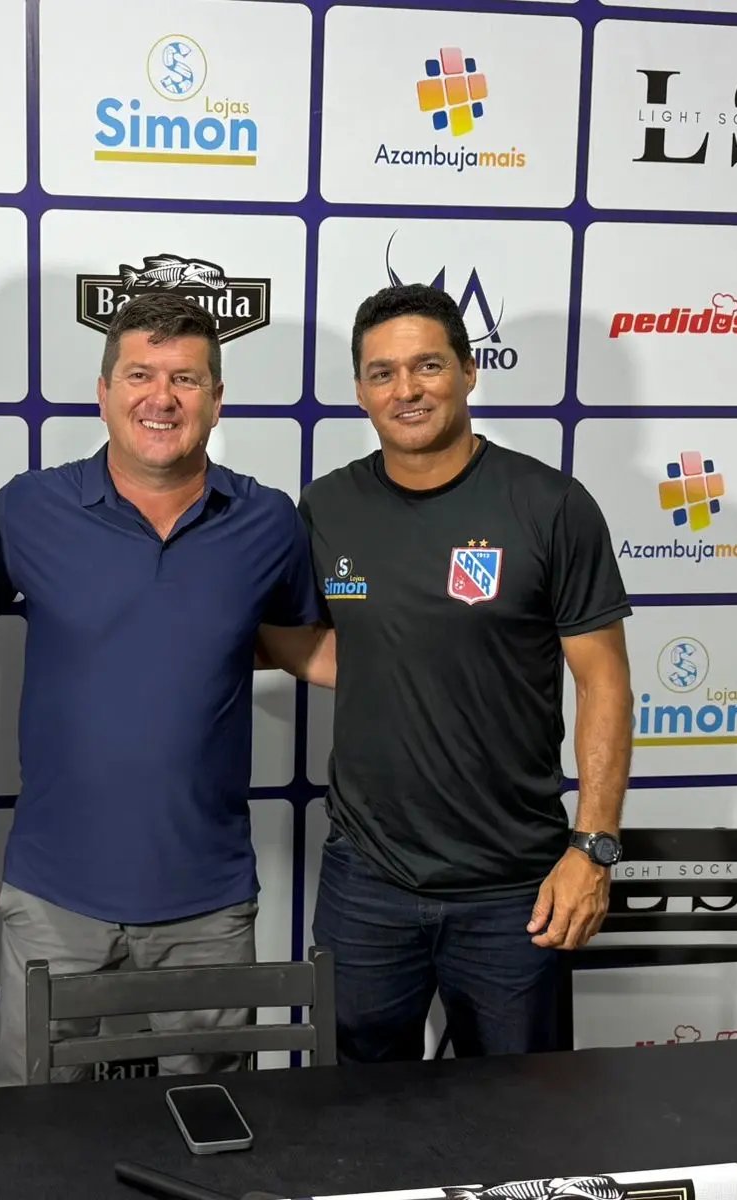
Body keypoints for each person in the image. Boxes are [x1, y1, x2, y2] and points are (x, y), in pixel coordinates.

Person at [0, 293, 330, 1085]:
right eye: (140, 375)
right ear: (104, 392)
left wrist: (457, 672)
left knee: (212, 1122)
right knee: (36, 1124)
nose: (162, 397)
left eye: (186, 379)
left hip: (207, 906)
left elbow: (305, 650)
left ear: (216, 399)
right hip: (54, 897)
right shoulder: (29, 509)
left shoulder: (268, 522)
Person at [296, 282, 633, 1062]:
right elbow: (287, 636)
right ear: (359, 391)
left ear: (469, 371)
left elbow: (605, 684)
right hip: (367, 882)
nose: (405, 390)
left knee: (519, 1125)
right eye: (382, 373)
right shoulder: (328, 506)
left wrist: (594, 848)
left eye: (427, 366)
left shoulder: (549, 504)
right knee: (353, 1116)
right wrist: (386, 668)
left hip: (514, 888)